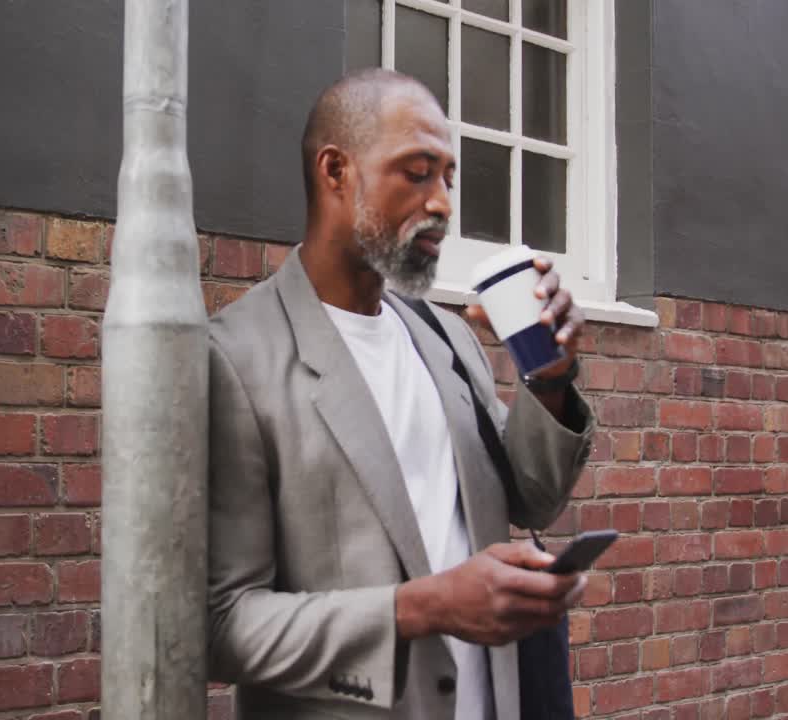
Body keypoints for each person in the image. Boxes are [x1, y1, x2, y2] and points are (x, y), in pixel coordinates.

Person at [206, 68, 596, 719]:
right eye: (417, 174)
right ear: (336, 172)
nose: (442, 202)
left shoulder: (446, 337)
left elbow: (533, 498)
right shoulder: (236, 358)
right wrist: (422, 608)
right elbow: (223, 626)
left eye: (448, 179)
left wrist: (550, 380)